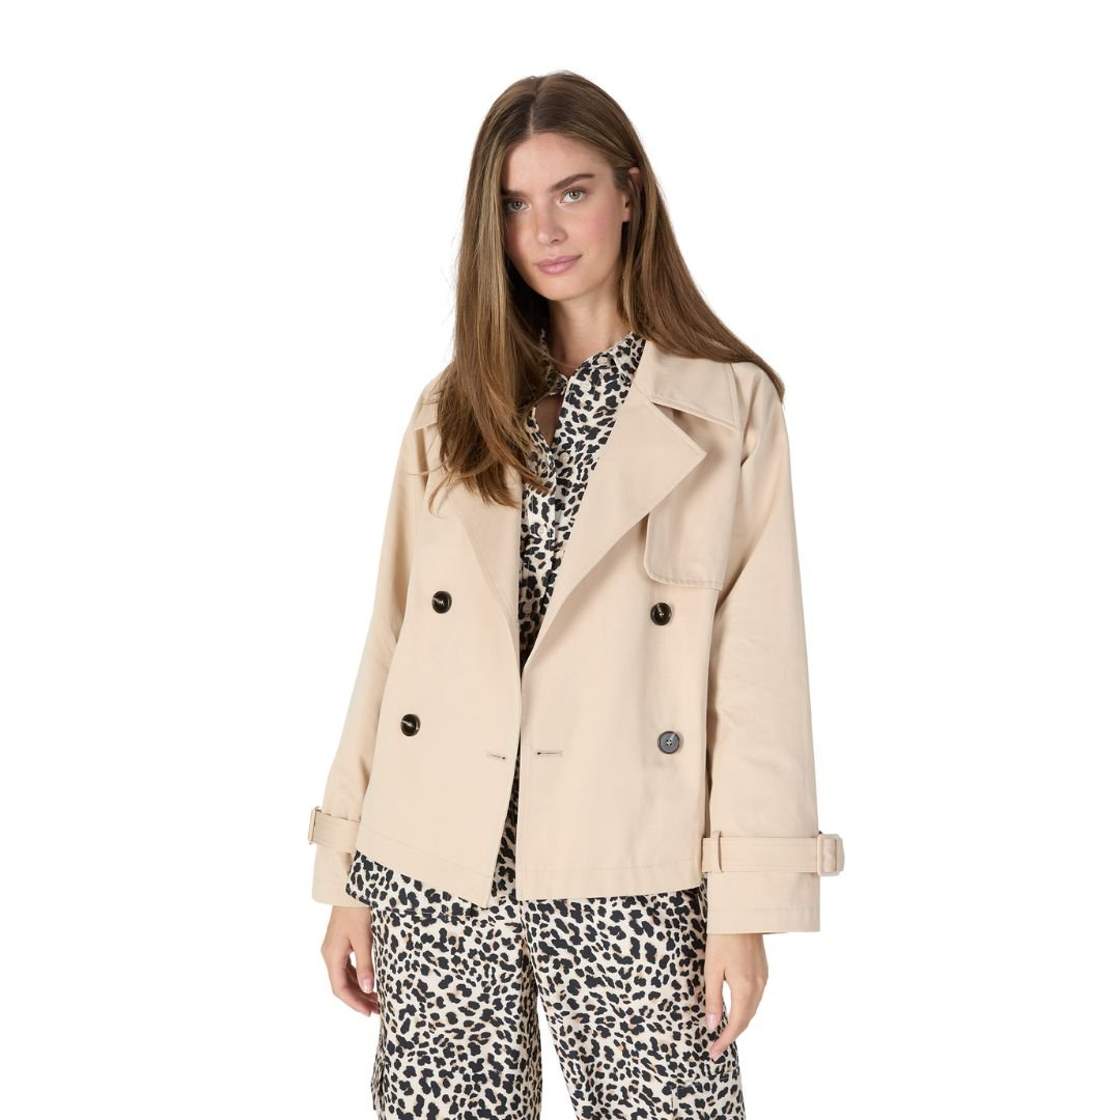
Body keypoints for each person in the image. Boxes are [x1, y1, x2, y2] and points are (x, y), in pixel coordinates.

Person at [307, 70, 845, 1118]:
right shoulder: (453, 408)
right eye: (514, 204)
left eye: (573, 192)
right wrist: (348, 877)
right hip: (435, 861)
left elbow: (758, 674)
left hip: (630, 860)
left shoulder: (728, 406)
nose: (543, 230)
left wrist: (743, 908)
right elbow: (393, 645)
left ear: (630, 194)